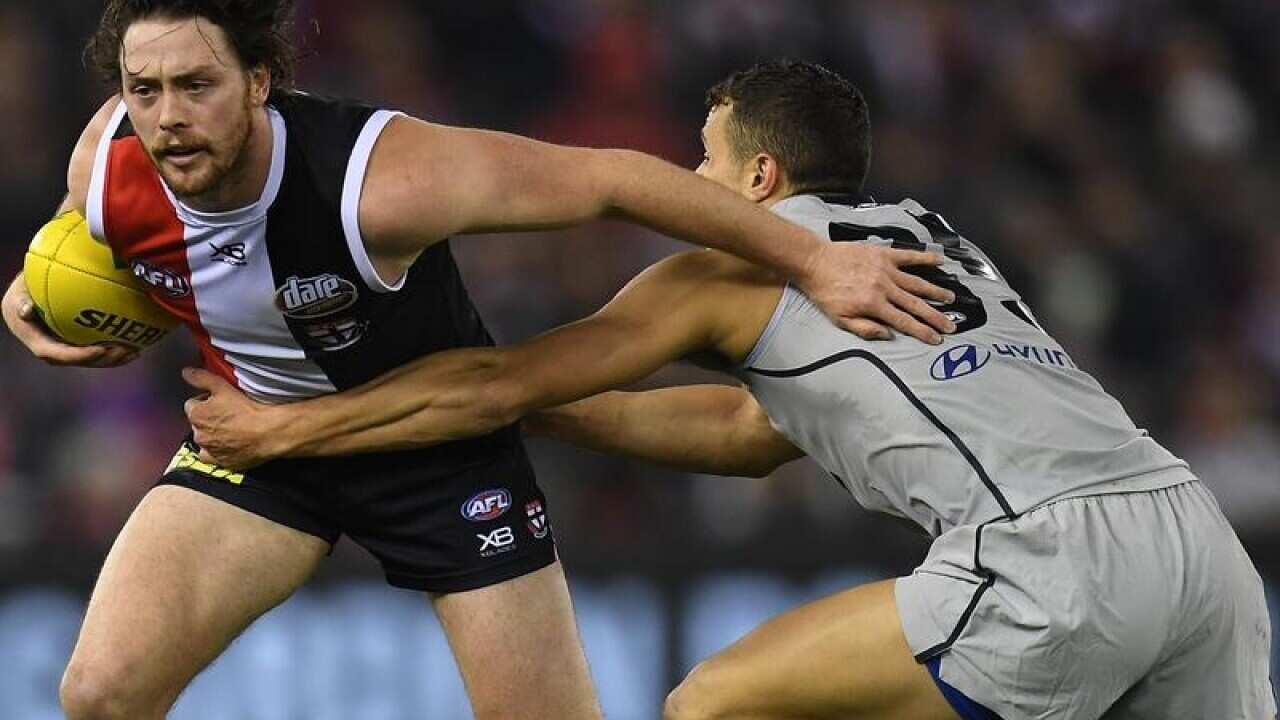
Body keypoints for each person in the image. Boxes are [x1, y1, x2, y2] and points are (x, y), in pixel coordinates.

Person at [186, 60, 1276, 720]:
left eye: (702, 167)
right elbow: (752, 430)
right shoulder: (926, 242)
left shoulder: (730, 261)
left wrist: (291, 426)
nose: (690, 189)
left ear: (757, 182)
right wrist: (543, 409)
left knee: (711, 702)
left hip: (1053, 562)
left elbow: (486, 386)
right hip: (1195, 546)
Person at [0, 3, 958, 718]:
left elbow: (611, 181)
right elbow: (74, 249)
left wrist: (813, 261)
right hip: (256, 444)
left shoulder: (383, 180)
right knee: (98, 693)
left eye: (197, 86)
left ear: (259, 82)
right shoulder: (109, 162)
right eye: (144, 89)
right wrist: (28, 302)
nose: (167, 118)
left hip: (440, 449)